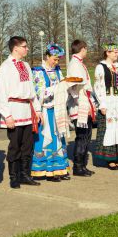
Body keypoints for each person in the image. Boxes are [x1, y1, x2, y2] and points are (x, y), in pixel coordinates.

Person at [0, 36, 42, 188]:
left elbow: (32, 90)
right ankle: (14, 177)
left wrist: (37, 109)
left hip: (27, 111)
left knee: (27, 146)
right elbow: (2, 93)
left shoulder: (26, 65)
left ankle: (25, 175)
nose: (27, 49)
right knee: (15, 146)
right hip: (14, 110)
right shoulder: (6, 67)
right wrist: (7, 115)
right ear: (15, 48)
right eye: (24, 46)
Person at [30, 43, 71, 181]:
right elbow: (38, 93)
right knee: (46, 139)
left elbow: (62, 86)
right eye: (54, 59)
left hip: (57, 109)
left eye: (58, 59)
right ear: (47, 56)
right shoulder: (38, 71)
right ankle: (46, 170)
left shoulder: (58, 71)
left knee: (58, 138)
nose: (56, 62)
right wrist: (57, 88)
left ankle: (59, 168)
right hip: (45, 110)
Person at [93, 42, 118, 170]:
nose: (117, 54)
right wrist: (102, 104)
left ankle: (117, 156)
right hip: (108, 100)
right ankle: (109, 158)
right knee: (109, 127)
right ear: (107, 53)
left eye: (117, 51)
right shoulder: (101, 67)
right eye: (114, 52)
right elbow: (98, 86)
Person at [67, 40, 96, 177]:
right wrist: (80, 101)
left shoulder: (79, 63)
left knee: (87, 136)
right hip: (80, 105)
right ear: (82, 49)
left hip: (85, 101)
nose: (87, 51)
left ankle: (82, 165)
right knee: (82, 136)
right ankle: (78, 167)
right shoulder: (74, 64)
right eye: (86, 49)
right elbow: (72, 86)